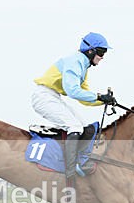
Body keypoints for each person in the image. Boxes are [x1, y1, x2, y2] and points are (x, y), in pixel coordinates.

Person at [32, 31, 116, 177]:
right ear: (90, 51)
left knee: (84, 127)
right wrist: (99, 96)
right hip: (44, 96)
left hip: (53, 96)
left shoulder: (83, 66)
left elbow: (84, 98)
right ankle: (70, 172)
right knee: (75, 127)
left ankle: (76, 163)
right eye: (101, 52)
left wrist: (102, 101)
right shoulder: (75, 61)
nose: (102, 57)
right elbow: (72, 91)